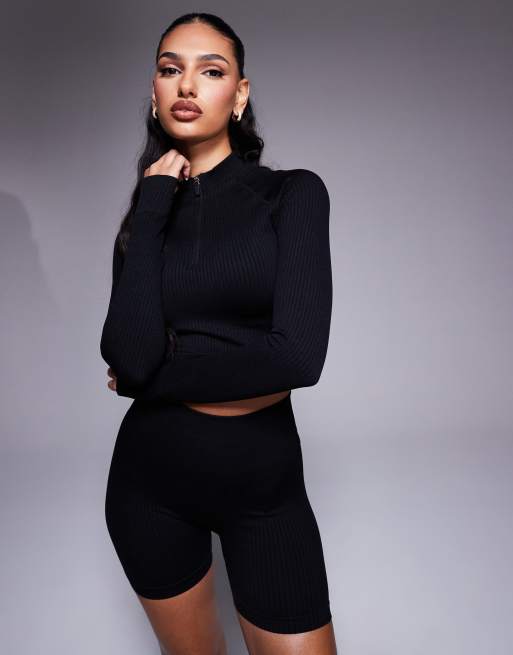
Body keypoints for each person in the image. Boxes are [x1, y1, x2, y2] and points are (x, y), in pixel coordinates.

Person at [100, 12, 337, 655]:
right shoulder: (144, 219)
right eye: (170, 69)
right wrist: (153, 202)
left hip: (265, 489)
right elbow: (127, 352)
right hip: (149, 485)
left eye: (211, 71)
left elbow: (298, 357)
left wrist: (153, 379)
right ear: (155, 92)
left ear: (239, 94)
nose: (186, 85)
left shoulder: (292, 196)